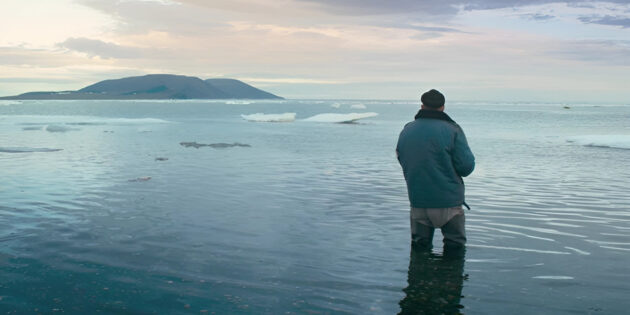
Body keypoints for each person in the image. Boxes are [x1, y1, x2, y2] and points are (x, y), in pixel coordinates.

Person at [396, 89, 475, 251]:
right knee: (455, 248)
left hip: (418, 200)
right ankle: (450, 276)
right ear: (443, 107)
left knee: (419, 248)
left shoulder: (407, 129)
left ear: (422, 106)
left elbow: (402, 157)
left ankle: (419, 275)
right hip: (448, 202)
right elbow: (466, 167)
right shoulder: (452, 130)